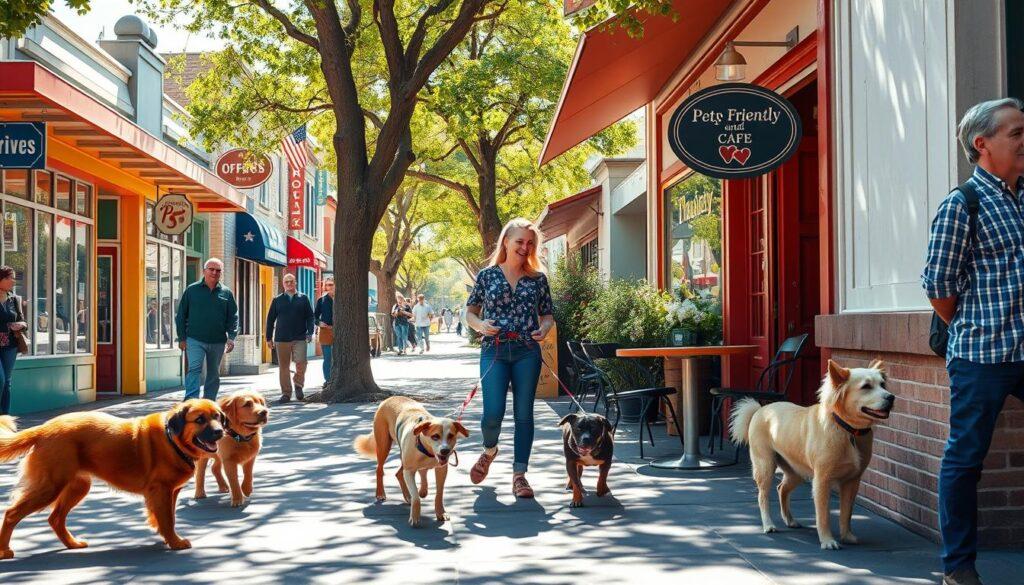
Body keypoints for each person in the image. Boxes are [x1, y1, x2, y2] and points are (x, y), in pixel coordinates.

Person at [922, 98, 1024, 585]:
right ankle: (958, 567)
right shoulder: (963, 204)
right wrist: (978, 324)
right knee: (965, 461)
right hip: (982, 356)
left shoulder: (1022, 198)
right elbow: (939, 286)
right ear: (982, 144)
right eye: (1015, 132)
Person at [465, 218, 554, 499]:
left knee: (524, 414)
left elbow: (548, 315)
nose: (525, 247)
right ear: (506, 241)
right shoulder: (487, 275)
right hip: (495, 350)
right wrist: (480, 326)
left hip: (527, 350)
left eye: (530, 243)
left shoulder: (538, 279)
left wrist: (544, 329)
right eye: (519, 242)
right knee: (492, 414)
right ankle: (489, 450)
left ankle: (520, 475)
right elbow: (469, 313)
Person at [176, 258, 237, 401]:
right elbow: (181, 315)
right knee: (194, 369)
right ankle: (191, 401)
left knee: (213, 373)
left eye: (218, 270)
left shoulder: (226, 293)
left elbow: (233, 316)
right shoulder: (192, 290)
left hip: (217, 341)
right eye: (211, 269)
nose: (214, 272)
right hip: (194, 339)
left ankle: (209, 402)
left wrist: (232, 337)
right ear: (204, 271)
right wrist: (182, 338)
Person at [266, 273, 315, 404]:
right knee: (284, 367)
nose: (289, 284)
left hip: (299, 337)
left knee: (301, 362)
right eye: (286, 282)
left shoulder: (303, 298)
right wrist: (268, 338)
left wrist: (310, 332)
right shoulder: (277, 300)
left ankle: (298, 385)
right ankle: (286, 393)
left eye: (291, 281)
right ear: (283, 284)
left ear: (295, 283)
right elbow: (270, 320)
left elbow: (310, 316)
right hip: (281, 338)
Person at [0, 266, 28, 415]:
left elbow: (24, 322)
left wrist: (20, 325)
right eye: (10, 278)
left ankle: (4, 418)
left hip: (10, 345)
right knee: (1, 379)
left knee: (7, 382)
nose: (13, 281)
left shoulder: (15, 299)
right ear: (1, 279)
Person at [314, 277, 335, 384]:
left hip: (339, 332)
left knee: (338, 357)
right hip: (325, 332)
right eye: (327, 285)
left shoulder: (341, 299)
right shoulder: (321, 300)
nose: (329, 287)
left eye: (331, 284)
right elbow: (314, 317)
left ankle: (337, 379)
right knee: (327, 358)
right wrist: (319, 323)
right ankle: (328, 380)